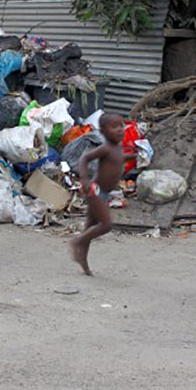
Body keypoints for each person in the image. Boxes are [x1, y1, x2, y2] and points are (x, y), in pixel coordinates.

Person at [69, 112, 126, 275]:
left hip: (104, 192)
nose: (120, 129)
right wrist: (84, 178)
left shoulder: (117, 148)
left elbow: (116, 161)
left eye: (121, 125)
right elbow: (84, 158)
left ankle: (83, 261)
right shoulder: (106, 147)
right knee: (106, 225)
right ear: (103, 131)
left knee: (90, 226)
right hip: (96, 190)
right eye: (114, 127)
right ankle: (77, 241)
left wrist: (132, 156)